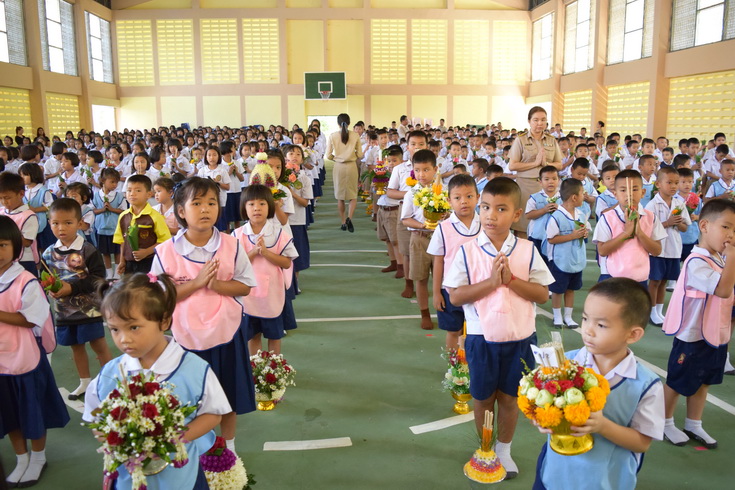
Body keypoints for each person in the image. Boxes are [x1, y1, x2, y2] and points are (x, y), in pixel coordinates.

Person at [445, 177, 553, 479]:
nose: (491, 215)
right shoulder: (467, 251)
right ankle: (486, 449)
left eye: (501, 209)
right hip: (482, 338)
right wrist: (493, 282)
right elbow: (456, 296)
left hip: (520, 337)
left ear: (516, 214)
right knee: (482, 398)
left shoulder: (527, 249)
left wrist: (512, 281)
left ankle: (504, 450)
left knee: (509, 398)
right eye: (485, 207)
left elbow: (543, 294)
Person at [83, 273, 230, 489]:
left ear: (164, 321)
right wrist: (118, 442)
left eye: (134, 327)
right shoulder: (110, 374)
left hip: (181, 479)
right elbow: (95, 418)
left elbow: (213, 414)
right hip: (129, 479)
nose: (124, 339)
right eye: (114, 329)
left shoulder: (194, 369)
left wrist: (172, 439)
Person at [151, 177, 256, 452]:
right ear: (181, 211)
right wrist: (197, 283)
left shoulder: (231, 245)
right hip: (186, 337)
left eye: (211, 202)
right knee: (190, 396)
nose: (206, 209)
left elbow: (245, 285)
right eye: (196, 203)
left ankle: (229, 446)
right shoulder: (165, 252)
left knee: (228, 394)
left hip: (227, 332)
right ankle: (198, 446)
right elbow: (160, 297)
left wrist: (217, 286)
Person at [533, 278, 664, 490]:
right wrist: (542, 418)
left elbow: (642, 442)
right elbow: (543, 405)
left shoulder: (646, 385)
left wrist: (603, 426)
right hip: (553, 475)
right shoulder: (564, 363)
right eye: (585, 319)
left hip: (605, 481)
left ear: (633, 334)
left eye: (601, 325)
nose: (588, 330)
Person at [0, 216, 69, 488]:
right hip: (2, 362)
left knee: (32, 411)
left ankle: (38, 457)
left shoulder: (25, 281)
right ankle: (21, 457)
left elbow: (31, 319)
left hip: (25, 358)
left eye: (2, 245)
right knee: (9, 413)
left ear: (16, 247)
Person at [661, 199, 735, 449]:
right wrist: (733, 257)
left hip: (714, 333)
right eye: (726, 227)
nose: (731, 235)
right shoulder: (696, 262)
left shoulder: (721, 259)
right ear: (704, 226)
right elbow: (723, 290)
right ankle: (664, 422)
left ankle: (694, 423)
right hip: (691, 335)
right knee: (677, 381)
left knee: (705, 380)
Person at [42, 198, 113, 401]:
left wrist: (71, 288)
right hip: (65, 311)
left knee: (99, 344)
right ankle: (85, 382)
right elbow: (47, 278)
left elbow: (98, 278)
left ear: (80, 223)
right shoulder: (48, 253)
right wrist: (52, 289)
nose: (61, 228)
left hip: (89, 309)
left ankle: (111, 382)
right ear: (49, 223)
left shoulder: (88, 249)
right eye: (55, 223)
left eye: (68, 222)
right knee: (76, 346)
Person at [234, 185, 297, 356]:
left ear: (270, 206)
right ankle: (255, 366)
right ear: (244, 208)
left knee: (274, 336)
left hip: (272, 295)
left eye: (262, 204)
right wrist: (254, 252)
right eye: (251, 204)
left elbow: (287, 262)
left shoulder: (279, 234)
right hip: (248, 296)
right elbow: (234, 265)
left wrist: (267, 253)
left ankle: (274, 367)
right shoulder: (237, 235)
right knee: (253, 335)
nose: (257, 208)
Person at [428, 173, 480, 350]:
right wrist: (437, 292)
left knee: (478, 330)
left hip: (479, 289)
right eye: (457, 198)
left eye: (469, 196)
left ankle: (473, 363)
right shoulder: (443, 228)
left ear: (478, 197)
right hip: (451, 290)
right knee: (453, 330)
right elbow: (438, 261)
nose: (464, 201)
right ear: (449, 201)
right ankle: (453, 365)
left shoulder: (486, 225)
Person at [594, 169, 665, 285]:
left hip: (640, 278)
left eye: (634, 189)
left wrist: (639, 232)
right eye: (623, 190)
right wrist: (626, 233)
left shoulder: (650, 217)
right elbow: (602, 250)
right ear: (615, 194)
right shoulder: (607, 218)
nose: (629, 194)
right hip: (612, 276)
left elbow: (657, 251)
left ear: (643, 192)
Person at [400, 149, 441, 330]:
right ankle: (424, 313)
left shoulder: (443, 191)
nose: (421, 174)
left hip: (441, 240)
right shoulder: (411, 193)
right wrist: (423, 225)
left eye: (426, 170)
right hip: (419, 238)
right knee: (421, 278)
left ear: (435, 170)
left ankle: (444, 312)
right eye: (417, 170)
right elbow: (405, 219)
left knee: (443, 279)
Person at [508, 107, 562, 238]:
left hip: (547, 187)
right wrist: (535, 163)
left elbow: (559, 164)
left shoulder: (551, 140)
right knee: (523, 224)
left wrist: (546, 164)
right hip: (526, 186)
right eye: (536, 120)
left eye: (543, 120)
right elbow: (512, 165)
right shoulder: (521, 140)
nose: (540, 123)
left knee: (546, 223)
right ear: (529, 121)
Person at [645, 167, 690, 325]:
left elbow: (685, 227)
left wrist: (678, 223)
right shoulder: (652, 205)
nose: (673, 186)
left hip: (673, 248)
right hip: (657, 249)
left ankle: (659, 311)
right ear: (658, 184)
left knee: (664, 281)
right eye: (669, 182)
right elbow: (648, 228)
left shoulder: (679, 204)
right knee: (655, 281)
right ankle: (651, 311)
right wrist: (668, 222)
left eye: (676, 183)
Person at [545, 178, 589, 327]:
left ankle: (568, 316)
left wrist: (584, 234)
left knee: (571, 289)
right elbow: (551, 239)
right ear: (574, 197)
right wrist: (572, 236)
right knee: (558, 291)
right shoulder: (556, 216)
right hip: (561, 261)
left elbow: (583, 231)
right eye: (582, 193)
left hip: (576, 259)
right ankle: (557, 316)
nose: (584, 196)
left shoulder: (580, 214)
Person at [114, 175, 171, 275]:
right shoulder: (123, 216)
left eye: (138, 190)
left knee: (147, 285)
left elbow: (164, 241)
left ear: (149, 194)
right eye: (129, 190)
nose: (132, 194)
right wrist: (122, 261)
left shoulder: (155, 216)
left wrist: (146, 252)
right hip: (129, 263)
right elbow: (122, 241)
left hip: (149, 262)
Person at [326, 113, 364, 232]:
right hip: (351, 166)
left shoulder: (332, 136)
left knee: (340, 197)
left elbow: (328, 155)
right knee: (353, 195)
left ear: (338, 123)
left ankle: (343, 222)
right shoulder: (355, 135)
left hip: (339, 167)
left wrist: (337, 158)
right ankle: (349, 218)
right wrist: (352, 155)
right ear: (349, 123)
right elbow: (360, 154)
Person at [0, 172, 39, 276]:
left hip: (24, 260)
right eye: (0, 198)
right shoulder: (1, 212)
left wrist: (7, 234)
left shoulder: (28, 215)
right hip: (4, 259)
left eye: (7, 197)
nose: (4, 202)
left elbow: (27, 242)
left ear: (21, 194)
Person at [375, 146, 405, 276]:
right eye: (389, 161)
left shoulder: (402, 175)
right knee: (387, 238)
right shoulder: (384, 173)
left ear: (401, 161)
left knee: (395, 240)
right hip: (382, 207)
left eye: (394, 161)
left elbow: (399, 193)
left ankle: (401, 266)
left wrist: (389, 191)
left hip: (394, 209)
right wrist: (377, 185)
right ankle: (393, 262)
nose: (391, 164)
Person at [92, 168, 126, 279]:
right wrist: (102, 209)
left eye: (116, 182)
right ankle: (109, 272)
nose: (115, 185)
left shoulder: (119, 196)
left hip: (115, 228)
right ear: (103, 181)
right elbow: (92, 210)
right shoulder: (96, 195)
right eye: (112, 182)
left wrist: (111, 209)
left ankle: (117, 272)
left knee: (117, 251)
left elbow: (123, 210)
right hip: (101, 228)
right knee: (105, 252)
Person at [524, 165, 560, 261]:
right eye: (546, 179)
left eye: (554, 179)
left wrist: (559, 209)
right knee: (536, 261)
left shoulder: (563, 198)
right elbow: (528, 215)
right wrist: (544, 210)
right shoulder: (534, 198)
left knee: (552, 262)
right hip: (537, 236)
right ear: (540, 182)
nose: (551, 182)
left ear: (559, 180)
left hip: (556, 237)